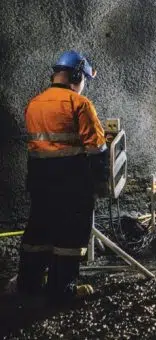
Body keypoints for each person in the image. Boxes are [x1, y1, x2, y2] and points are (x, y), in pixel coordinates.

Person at [17, 50, 109, 302]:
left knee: (38, 232)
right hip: (72, 183)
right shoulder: (79, 104)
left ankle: (28, 285)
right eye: (85, 79)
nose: (84, 85)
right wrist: (101, 182)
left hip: (40, 181)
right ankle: (61, 290)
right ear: (77, 76)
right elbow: (97, 149)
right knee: (70, 236)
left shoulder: (34, 103)